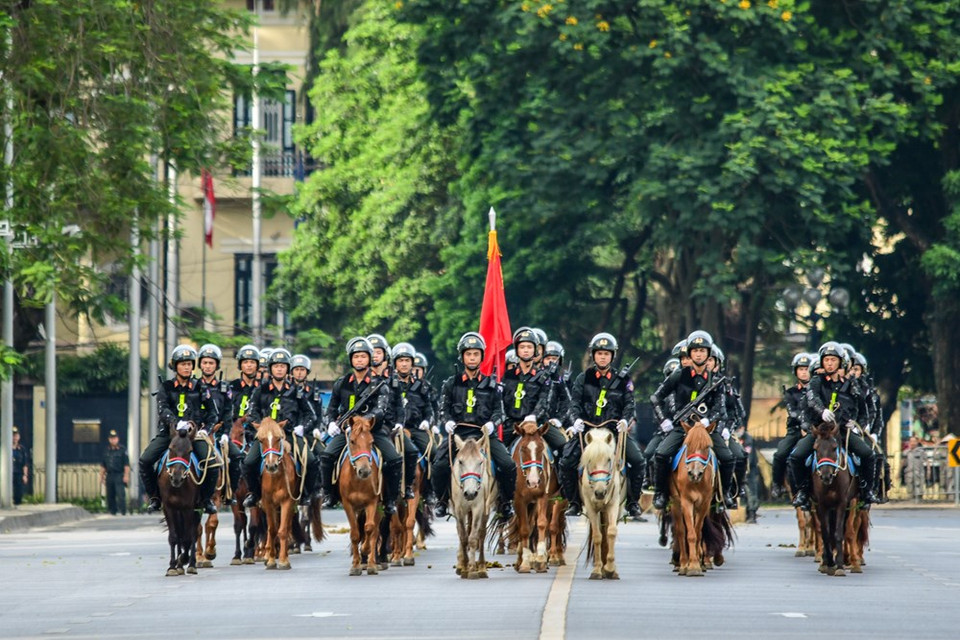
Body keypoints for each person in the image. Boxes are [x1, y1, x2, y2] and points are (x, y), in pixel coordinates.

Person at [560, 332, 645, 519]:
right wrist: (576, 420)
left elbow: (630, 404)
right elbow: (574, 403)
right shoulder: (584, 378)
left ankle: (632, 502)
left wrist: (625, 420)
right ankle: (574, 501)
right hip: (588, 431)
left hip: (613, 432)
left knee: (638, 461)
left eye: (606, 354)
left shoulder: (623, 380)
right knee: (566, 462)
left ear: (612, 356)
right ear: (593, 355)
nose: (603, 357)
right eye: (599, 353)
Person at [432, 332, 516, 520]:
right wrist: (448, 422)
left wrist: (492, 424)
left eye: (476, 354)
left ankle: (506, 501)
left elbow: (499, 412)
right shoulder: (451, 383)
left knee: (508, 464)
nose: (472, 358)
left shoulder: (492, 384)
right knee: (438, 464)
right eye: (468, 354)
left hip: (483, 435)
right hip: (459, 435)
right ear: (462, 357)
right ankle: (442, 500)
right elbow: (443, 409)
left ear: (481, 357)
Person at [650, 330, 736, 511]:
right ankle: (661, 493)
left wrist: (707, 421)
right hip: (683, 427)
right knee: (661, 454)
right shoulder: (678, 375)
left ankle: (725, 494)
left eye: (703, 351)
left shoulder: (717, 379)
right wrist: (664, 420)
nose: (699, 354)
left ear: (708, 354)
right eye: (695, 351)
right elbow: (656, 398)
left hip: (707, 430)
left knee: (728, 458)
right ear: (689, 353)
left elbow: (720, 408)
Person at [789, 341, 880, 509]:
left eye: (833, 360)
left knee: (868, 455)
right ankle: (802, 491)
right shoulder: (816, 381)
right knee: (796, 456)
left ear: (841, 362)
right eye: (827, 360)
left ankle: (867, 491)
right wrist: (821, 411)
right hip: (820, 431)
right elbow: (811, 398)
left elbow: (863, 410)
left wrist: (858, 425)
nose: (830, 363)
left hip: (843, 431)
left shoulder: (851, 384)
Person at [320, 337, 404, 515]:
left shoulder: (380, 384)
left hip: (372, 431)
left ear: (369, 359)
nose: (359, 360)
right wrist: (331, 424)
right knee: (326, 456)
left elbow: (380, 410)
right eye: (356, 356)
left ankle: (390, 500)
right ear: (351, 359)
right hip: (347, 432)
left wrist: (360, 424)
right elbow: (332, 408)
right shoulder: (341, 383)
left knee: (395, 459)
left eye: (363, 356)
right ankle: (329, 494)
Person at [139, 345, 218, 514]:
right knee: (145, 461)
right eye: (183, 364)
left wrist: (206, 430)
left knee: (212, 463)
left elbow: (213, 413)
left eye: (189, 364)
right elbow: (163, 410)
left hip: (194, 436)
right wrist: (175, 423)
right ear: (175, 366)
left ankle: (206, 499)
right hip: (169, 435)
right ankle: (155, 497)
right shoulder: (166, 387)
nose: (187, 367)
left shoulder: (201, 387)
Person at [241, 348, 320, 508]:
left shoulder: (296, 392)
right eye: (276, 366)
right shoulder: (260, 390)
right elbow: (251, 413)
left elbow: (310, 415)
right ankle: (255, 494)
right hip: (267, 437)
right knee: (249, 462)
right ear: (270, 368)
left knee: (311, 461)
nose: (279, 369)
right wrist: (260, 426)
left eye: (283, 366)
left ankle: (305, 494)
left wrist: (302, 428)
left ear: (287, 369)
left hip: (289, 435)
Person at [392, 341, 437, 504]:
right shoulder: (387, 385)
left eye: (407, 361)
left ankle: (430, 491)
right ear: (395, 363)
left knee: (434, 452)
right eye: (400, 360)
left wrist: (427, 421)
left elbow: (430, 410)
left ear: (412, 363)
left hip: (416, 429)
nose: (404, 364)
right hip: (394, 429)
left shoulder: (422, 386)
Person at [771, 353, 812, 499]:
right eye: (800, 369)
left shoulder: (817, 390)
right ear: (795, 372)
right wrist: (803, 425)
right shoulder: (790, 393)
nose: (804, 372)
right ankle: (777, 484)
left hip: (814, 430)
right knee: (780, 454)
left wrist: (810, 427)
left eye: (807, 369)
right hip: (795, 430)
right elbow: (793, 412)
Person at [100, 429, 130, 515]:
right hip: (110, 475)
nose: (113, 440)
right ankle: (112, 511)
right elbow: (103, 465)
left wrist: (126, 476)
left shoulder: (122, 450)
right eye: (111, 438)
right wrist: (101, 477)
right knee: (110, 495)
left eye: (115, 438)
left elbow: (126, 465)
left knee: (120, 494)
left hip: (119, 475)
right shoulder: (107, 450)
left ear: (118, 439)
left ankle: (123, 510)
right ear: (109, 439)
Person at [11, 426, 29, 505]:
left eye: (16, 436)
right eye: (13, 436)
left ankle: (17, 504)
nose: (14, 438)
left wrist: (25, 475)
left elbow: (24, 463)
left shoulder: (21, 449)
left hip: (18, 473)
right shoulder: (5, 448)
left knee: (18, 492)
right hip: (8, 473)